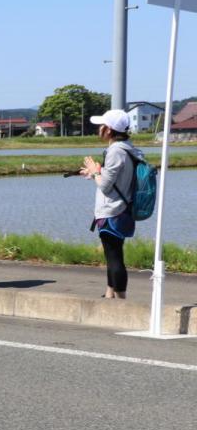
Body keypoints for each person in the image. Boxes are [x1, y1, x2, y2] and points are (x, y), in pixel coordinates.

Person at [80, 109, 144, 299]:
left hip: (112, 211)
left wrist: (95, 171)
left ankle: (121, 301)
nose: (99, 129)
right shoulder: (127, 147)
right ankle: (109, 295)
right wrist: (95, 172)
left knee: (114, 257)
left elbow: (106, 186)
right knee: (112, 254)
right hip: (123, 209)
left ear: (108, 130)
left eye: (101, 126)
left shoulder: (116, 151)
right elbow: (113, 178)